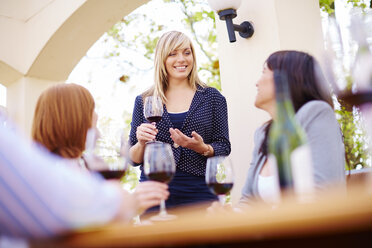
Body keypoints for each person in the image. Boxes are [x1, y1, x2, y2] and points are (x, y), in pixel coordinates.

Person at [0, 112, 169, 240]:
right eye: (93, 125)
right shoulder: (65, 177)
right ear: (74, 122)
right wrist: (125, 201)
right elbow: (59, 209)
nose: (99, 135)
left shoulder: (74, 169)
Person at [129, 31, 231, 209]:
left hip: (200, 189)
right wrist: (141, 142)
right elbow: (133, 159)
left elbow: (223, 146)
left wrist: (201, 148)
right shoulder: (145, 100)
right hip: (155, 191)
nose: (182, 59)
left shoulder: (212, 97)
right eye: (173, 54)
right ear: (162, 59)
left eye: (186, 52)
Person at [239, 50, 345, 206]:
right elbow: (248, 201)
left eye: (263, 72)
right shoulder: (262, 134)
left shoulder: (316, 113)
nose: (257, 82)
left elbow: (322, 193)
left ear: (284, 79)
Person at [31, 83, 98, 169]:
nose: (96, 116)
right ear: (73, 118)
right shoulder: (65, 171)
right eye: (91, 109)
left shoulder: (40, 165)